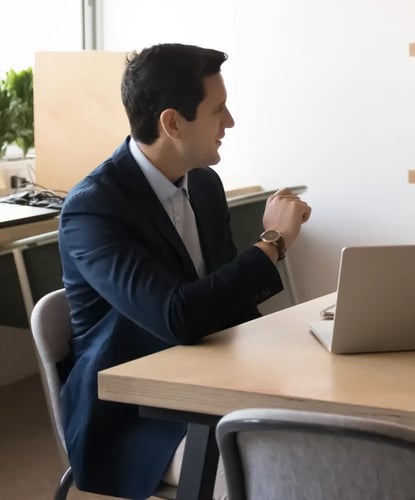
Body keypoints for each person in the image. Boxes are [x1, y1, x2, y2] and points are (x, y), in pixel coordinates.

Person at [57, 43, 311, 500]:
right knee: (276, 478)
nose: (229, 122)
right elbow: (177, 317)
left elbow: (224, 304)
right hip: (133, 416)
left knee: (330, 444)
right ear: (172, 123)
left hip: (213, 384)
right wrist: (271, 243)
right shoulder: (93, 209)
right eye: (218, 110)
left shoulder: (205, 184)